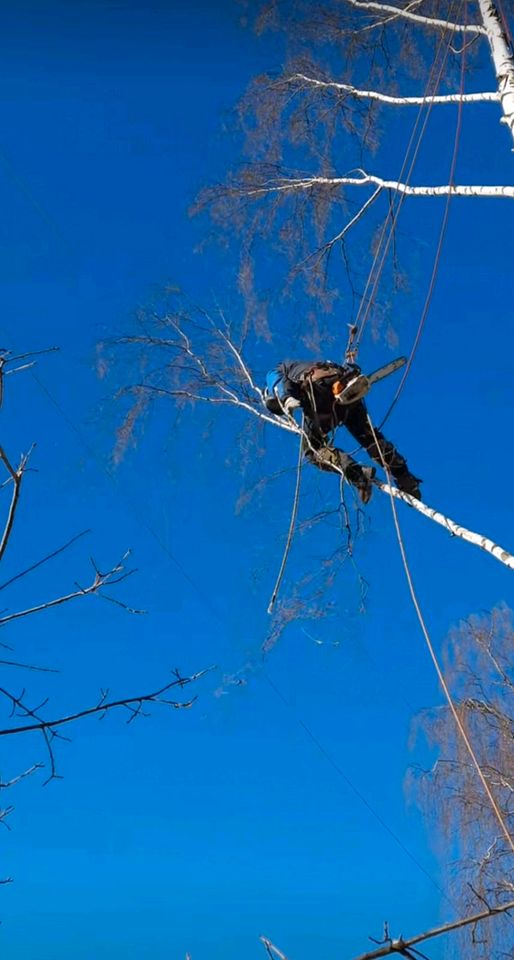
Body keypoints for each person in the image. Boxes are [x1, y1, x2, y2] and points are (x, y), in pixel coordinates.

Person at [264, 359, 421, 504]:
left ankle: (358, 475)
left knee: (312, 451)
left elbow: (274, 377)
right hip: (340, 387)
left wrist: (286, 398)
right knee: (370, 439)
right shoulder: (312, 364)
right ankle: (404, 476)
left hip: (319, 392)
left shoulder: (283, 369)